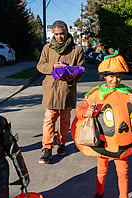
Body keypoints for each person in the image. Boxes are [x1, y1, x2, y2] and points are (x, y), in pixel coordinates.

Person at [74, 50, 132, 198]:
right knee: (101, 171)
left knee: (123, 173)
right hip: (102, 142)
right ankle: (99, 195)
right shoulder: (96, 94)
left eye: (118, 76)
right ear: (104, 76)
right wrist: (86, 113)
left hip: (122, 143)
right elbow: (79, 111)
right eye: (110, 76)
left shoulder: (128, 93)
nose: (114, 80)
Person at [37, 20, 85, 163]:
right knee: (49, 119)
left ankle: (62, 144)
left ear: (66, 31)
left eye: (62, 34)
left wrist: (72, 76)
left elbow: (82, 69)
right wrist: (52, 66)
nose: (59, 37)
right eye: (57, 34)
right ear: (53, 33)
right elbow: (40, 66)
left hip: (67, 90)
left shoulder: (77, 50)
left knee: (65, 120)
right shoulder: (47, 48)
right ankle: (47, 147)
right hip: (51, 90)